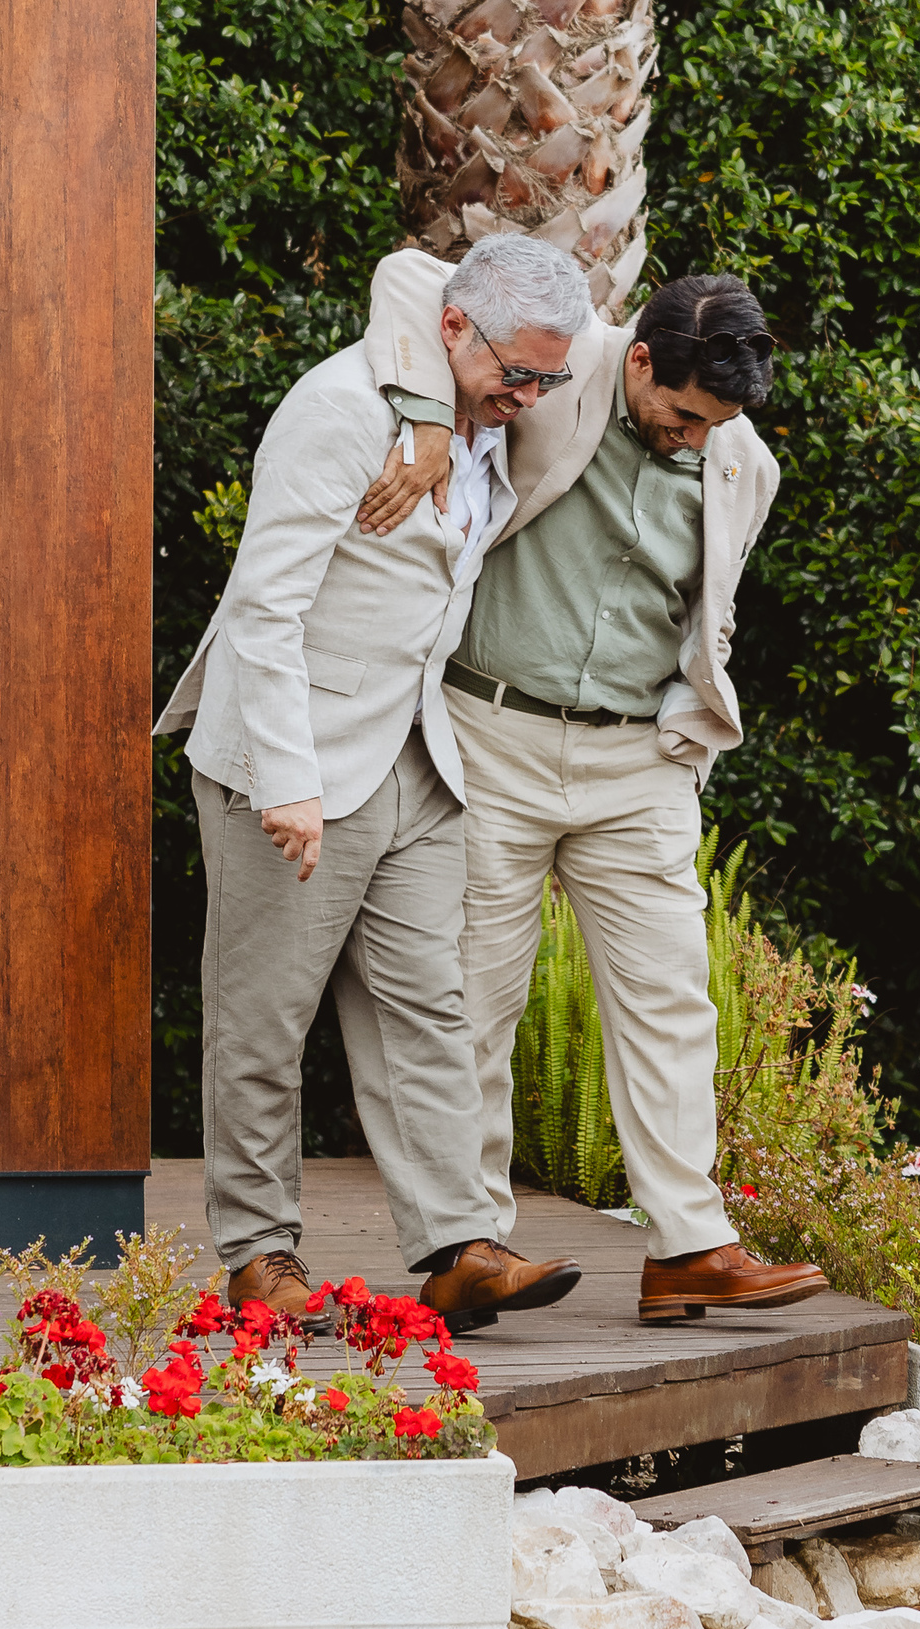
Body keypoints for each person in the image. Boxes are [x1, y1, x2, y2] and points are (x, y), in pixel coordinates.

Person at [358, 250, 828, 1325]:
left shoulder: (741, 462)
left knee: (672, 1000)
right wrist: (426, 424)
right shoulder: (560, 366)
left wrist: (687, 739)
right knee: (474, 998)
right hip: (492, 736)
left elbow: (708, 609)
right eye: (685, 414)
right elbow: (407, 278)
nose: (697, 438)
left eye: (717, 423)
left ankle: (689, 1249)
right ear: (642, 359)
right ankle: (471, 1246)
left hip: (638, 763)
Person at [152, 236, 595, 1331]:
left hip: (416, 753)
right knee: (264, 1019)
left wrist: (461, 411)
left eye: (547, 381)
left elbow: (430, 275)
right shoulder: (339, 412)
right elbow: (264, 607)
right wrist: (285, 780)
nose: (530, 399)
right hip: (294, 758)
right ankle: (259, 1255)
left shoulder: (480, 405)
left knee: (428, 1009)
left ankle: (458, 1247)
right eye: (517, 376)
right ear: (452, 330)